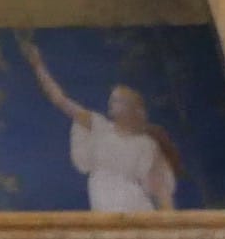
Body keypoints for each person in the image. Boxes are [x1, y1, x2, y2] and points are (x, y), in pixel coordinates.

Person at [20, 39, 181, 213]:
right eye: (112, 99)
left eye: (119, 100)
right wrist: (38, 65)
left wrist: (172, 224)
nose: (111, 102)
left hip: (135, 209)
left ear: (134, 109)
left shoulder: (146, 144)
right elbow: (60, 100)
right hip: (103, 207)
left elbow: (162, 193)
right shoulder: (99, 126)